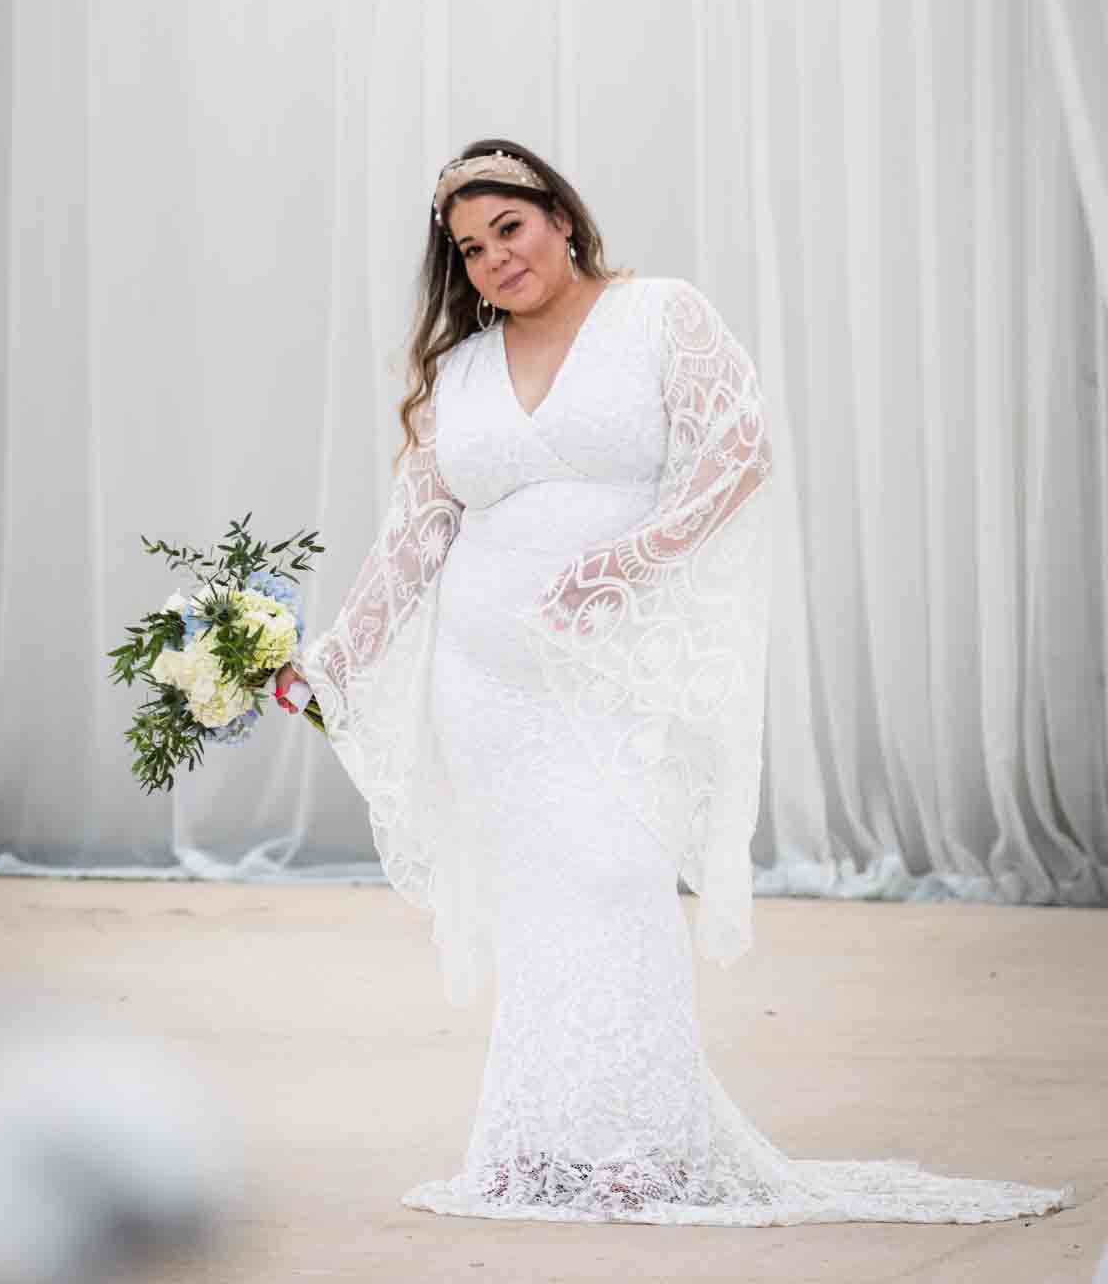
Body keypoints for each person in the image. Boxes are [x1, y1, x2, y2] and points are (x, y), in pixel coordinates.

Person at [273, 139, 1074, 1227]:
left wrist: (625, 565)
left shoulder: (660, 315)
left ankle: (644, 1147)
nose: (495, 260)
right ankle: (540, 1147)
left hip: (613, 665)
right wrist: (331, 659)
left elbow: (736, 451)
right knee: (543, 901)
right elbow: (413, 540)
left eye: (509, 229)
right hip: (487, 684)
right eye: (469, 250)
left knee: (615, 872)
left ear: (559, 216)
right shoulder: (458, 375)